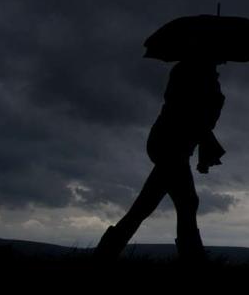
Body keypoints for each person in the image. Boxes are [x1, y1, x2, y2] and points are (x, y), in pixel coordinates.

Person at [94, 58, 227, 262]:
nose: (224, 58)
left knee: (160, 204)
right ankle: (193, 258)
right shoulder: (191, 72)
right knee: (182, 203)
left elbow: (200, 119)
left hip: (173, 145)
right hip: (171, 144)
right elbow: (190, 113)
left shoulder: (202, 74)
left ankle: (106, 252)